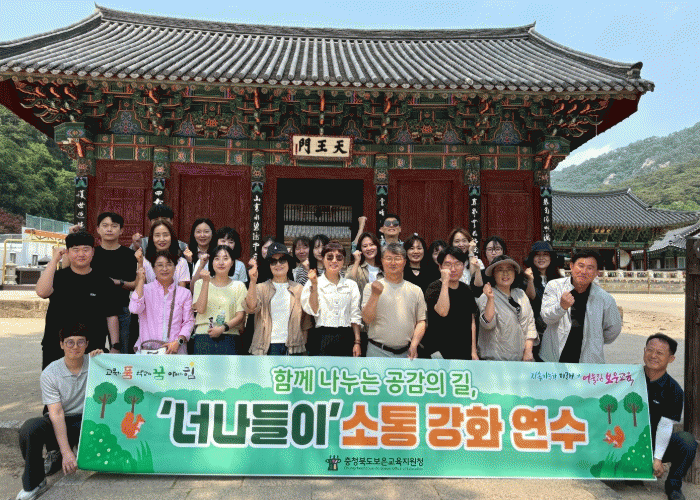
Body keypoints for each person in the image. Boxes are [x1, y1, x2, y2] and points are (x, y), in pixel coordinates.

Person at [16, 323, 101, 500]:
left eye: (80, 342)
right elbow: (56, 413)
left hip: (87, 420)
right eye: (70, 342)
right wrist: (66, 452)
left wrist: (104, 358)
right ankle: (36, 481)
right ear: (61, 344)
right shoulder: (50, 373)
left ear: (87, 344)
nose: (75, 347)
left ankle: (80, 450)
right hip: (62, 420)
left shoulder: (96, 363)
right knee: (30, 428)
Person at [36, 231, 120, 368]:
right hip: (57, 346)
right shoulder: (57, 277)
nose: (81, 254)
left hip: (92, 348)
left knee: (90, 382)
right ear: (67, 252)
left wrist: (115, 346)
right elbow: (41, 292)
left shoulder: (104, 282)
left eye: (86, 249)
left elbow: (111, 316)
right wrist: (55, 260)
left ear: (93, 252)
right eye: (76, 250)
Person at [539, 250, 622, 363]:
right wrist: (561, 307)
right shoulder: (554, 286)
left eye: (590, 268)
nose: (583, 271)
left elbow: (614, 329)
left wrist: (595, 340)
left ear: (597, 272)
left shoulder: (605, 298)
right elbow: (546, 318)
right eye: (580, 266)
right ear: (571, 266)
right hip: (555, 356)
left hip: (588, 360)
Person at [642, 333, 698, 500]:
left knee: (687, 441)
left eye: (660, 353)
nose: (653, 355)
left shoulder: (674, 390)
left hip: (655, 442)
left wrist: (657, 459)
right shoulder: (628, 377)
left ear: (671, 359)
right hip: (625, 440)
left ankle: (673, 486)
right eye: (650, 350)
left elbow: (665, 426)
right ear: (644, 351)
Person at [361, 242, 427, 359]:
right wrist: (375, 295)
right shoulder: (371, 287)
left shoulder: (416, 290)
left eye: (397, 258)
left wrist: (414, 344)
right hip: (377, 351)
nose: (393, 263)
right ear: (382, 261)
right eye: (388, 258)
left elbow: (421, 321)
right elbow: (366, 319)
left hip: (406, 353)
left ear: (405, 262)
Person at [244, 242, 311, 355]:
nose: (278, 264)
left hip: (293, 347)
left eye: (282, 260)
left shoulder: (298, 289)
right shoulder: (260, 288)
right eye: (273, 261)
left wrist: (302, 345)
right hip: (266, 346)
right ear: (269, 266)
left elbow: (306, 322)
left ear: (288, 262)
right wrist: (252, 281)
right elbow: (251, 308)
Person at [301, 241, 362, 357]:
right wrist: (314, 285)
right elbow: (313, 310)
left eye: (339, 257)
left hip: (346, 337)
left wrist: (357, 342)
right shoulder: (313, 282)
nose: (334, 261)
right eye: (329, 257)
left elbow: (355, 315)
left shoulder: (351, 285)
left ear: (344, 261)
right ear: (323, 259)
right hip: (321, 337)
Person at [129, 250, 194, 354]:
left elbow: (188, 322)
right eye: (160, 265)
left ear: (175, 268)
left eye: (169, 264)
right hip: (148, 351)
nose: (164, 269)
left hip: (175, 351)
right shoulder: (144, 290)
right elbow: (134, 309)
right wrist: (140, 280)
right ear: (153, 269)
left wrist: (179, 342)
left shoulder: (184, 293)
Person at [91, 212, 137, 354]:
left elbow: (136, 284)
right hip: (95, 309)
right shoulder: (91, 254)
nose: (109, 229)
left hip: (122, 309)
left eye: (114, 226)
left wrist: (117, 282)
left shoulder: (129, 255)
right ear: (98, 229)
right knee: (94, 352)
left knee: (122, 353)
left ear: (121, 230)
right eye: (105, 226)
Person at [476, 255, 537, 361]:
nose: (505, 273)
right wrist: (490, 299)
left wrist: (528, 351)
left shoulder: (521, 294)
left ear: (515, 273)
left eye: (509, 269)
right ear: (493, 274)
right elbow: (487, 324)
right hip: (494, 360)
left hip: (521, 359)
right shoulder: (486, 296)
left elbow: (530, 324)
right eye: (500, 270)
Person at [423, 246, 479, 360]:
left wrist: (473, 351)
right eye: (448, 264)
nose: (453, 269)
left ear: (463, 266)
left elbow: (472, 321)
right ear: (440, 267)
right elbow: (442, 311)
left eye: (458, 264)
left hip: (463, 351)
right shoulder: (433, 288)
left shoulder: (466, 289)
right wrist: (445, 282)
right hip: (438, 352)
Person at [192, 245, 247, 354]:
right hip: (203, 335)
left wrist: (222, 328)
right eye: (217, 258)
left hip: (230, 336)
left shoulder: (239, 286)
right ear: (211, 262)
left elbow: (240, 316)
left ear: (232, 262)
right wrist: (206, 282)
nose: (221, 262)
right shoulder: (200, 283)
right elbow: (200, 309)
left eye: (225, 258)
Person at [523, 241, 564, 359]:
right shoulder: (524, 278)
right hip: (534, 330)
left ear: (551, 258)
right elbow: (531, 299)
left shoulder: (559, 279)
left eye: (545, 254)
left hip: (554, 330)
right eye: (537, 255)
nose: (541, 258)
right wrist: (530, 280)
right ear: (532, 258)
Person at [135, 220, 190, 287]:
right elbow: (138, 289)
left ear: (171, 237)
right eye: (157, 235)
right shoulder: (145, 261)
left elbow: (182, 291)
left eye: (165, 235)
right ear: (152, 238)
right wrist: (140, 264)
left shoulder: (181, 262)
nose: (161, 239)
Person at [186, 218, 217, 291]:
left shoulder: (218, 253)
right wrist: (189, 262)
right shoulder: (186, 254)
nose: (202, 235)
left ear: (212, 233)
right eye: (198, 232)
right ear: (193, 234)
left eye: (206, 231)